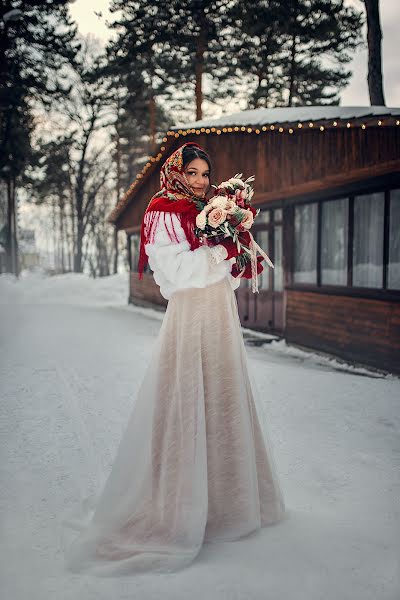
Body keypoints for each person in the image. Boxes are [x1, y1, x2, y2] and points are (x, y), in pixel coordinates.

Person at [62, 141, 286, 576]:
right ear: (176, 172)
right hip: (191, 316)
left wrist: (232, 249)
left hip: (220, 313)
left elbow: (223, 274)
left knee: (222, 397)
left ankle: (228, 507)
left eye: (206, 173)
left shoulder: (207, 209)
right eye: (194, 173)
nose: (201, 181)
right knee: (188, 397)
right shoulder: (163, 210)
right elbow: (175, 275)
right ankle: (179, 508)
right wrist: (220, 251)